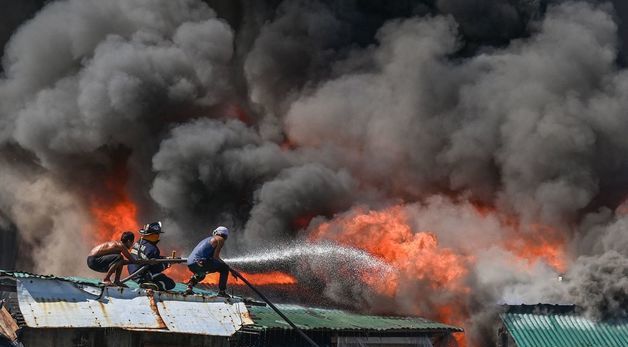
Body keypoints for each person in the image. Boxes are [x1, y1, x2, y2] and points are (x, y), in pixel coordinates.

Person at [127, 221, 176, 291]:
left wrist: (165, 258)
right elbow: (155, 268)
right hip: (142, 275)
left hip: (132, 272)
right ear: (153, 235)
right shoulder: (153, 249)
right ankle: (153, 286)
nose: (158, 236)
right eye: (157, 234)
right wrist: (167, 264)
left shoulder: (139, 242)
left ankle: (148, 282)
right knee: (170, 283)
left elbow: (150, 258)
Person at [185, 226, 231, 297]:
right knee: (224, 268)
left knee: (202, 274)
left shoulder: (207, 239)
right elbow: (216, 257)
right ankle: (222, 292)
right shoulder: (220, 239)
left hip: (190, 263)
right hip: (200, 263)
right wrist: (228, 267)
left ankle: (189, 287)